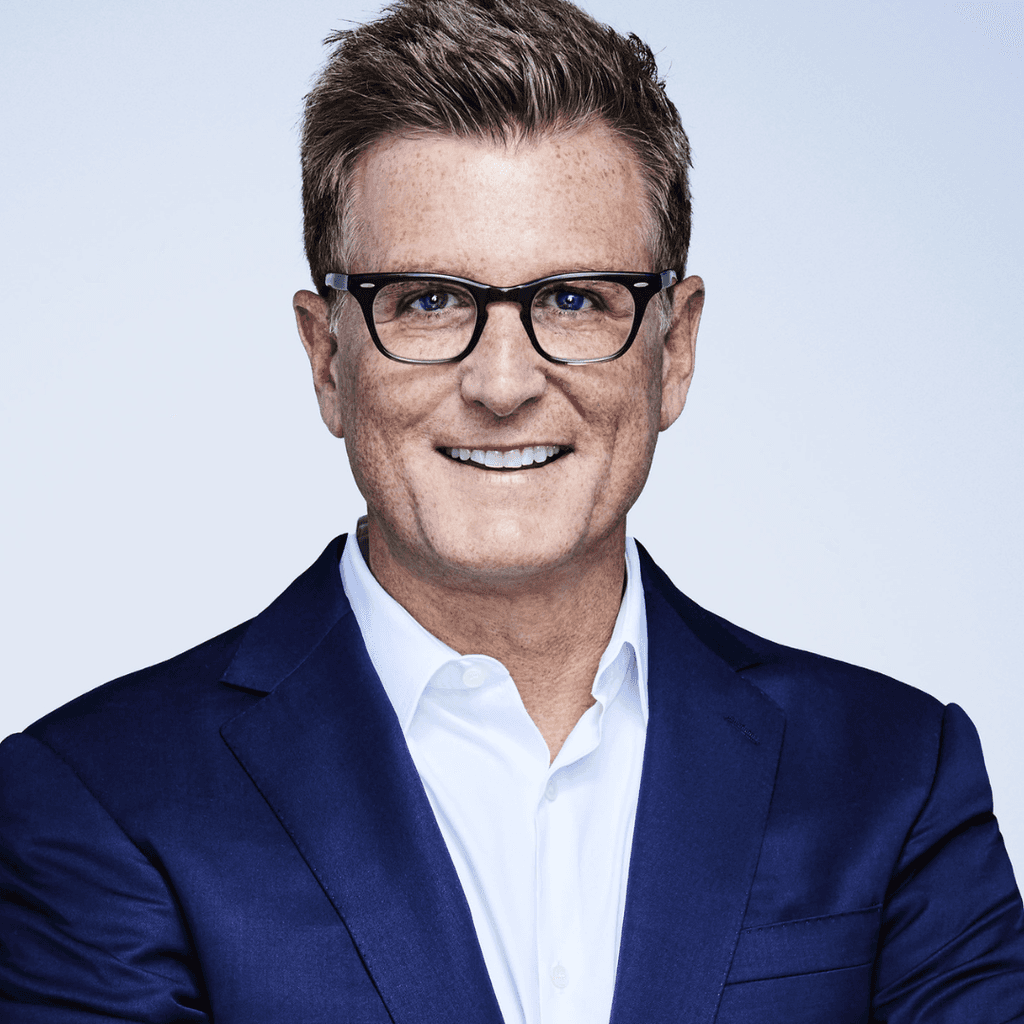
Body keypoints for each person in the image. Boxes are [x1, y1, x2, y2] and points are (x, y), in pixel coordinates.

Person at [1, 0, 1022, 1020]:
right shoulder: (97, 801)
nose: (501, 384)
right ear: (326, 359)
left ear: (673, 352)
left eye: (574, 299)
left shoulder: (895, 777)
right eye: (426, 300)